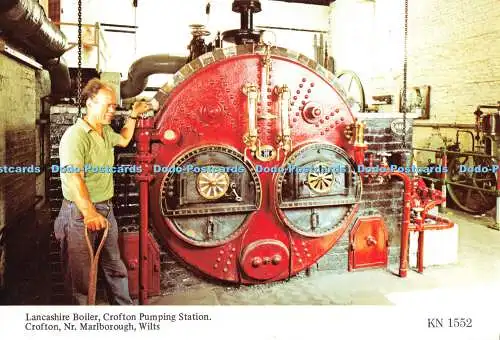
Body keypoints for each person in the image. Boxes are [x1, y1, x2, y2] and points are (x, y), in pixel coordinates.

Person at [54, 78, 150, 305]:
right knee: (82, 278)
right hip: (79, 213)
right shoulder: (75, 136)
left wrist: (133, 115)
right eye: (107, 105)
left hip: (106, 210)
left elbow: (125, 139)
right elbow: (73, 177)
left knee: (114, 267)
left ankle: (123, 314)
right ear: (89, 102)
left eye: (114, 106)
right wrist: (89, 213)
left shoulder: (105, 131)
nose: (112, 110)